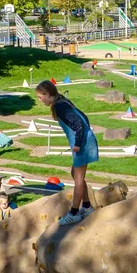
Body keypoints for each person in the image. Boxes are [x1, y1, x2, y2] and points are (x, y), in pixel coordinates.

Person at [35, 80, 99, 225]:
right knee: (75, 174)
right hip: (84, 142)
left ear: (47, 94)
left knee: (78, 178)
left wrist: (77, 143)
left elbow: (78, 124)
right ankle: (87, 206)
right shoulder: (62, 102)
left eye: (40, 97)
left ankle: (74, 212)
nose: (39, 100)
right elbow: (84, 118)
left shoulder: (60, 106)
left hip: (82, 144)